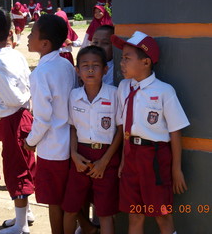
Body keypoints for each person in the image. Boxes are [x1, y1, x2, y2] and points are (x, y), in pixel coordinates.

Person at [112, 31, 189, 234]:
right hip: (131, 157)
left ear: (146, 62)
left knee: (161, 214)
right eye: (122, 58)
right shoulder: (123, 87)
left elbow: (175, 131)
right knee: (134, 214)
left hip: (155, 158)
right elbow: (123, 127)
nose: (122, 63)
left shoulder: (164, 91)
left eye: (127, 58)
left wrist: (176, 169)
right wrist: (123, 160)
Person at [0, 8, 35, 234]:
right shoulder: (16, 54)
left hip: (14, 117)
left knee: (16, 168)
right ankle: (25, 214)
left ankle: (21, 226)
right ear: (11, 32)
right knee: (23, 163)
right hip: (21, 115)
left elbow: (14, 98)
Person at [62, 45, 123, 234]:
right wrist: (73, 154)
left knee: (104, 213)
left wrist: (104, 161)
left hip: (106, 157)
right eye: (85, 65)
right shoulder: (74, 95)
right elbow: (72, 127)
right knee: (71, 209)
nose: (90, 70)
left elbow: (120, 130)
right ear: (77, 70)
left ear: (105, 70)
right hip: (80, 156)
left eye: (95, 65)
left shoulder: (114, 94)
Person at [25, 14, 76, 234]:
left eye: (32, 33)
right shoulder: (66, 65)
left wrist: (30, 141)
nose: (27, 36)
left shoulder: (40, 74)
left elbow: (43, 118)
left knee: (54, 203)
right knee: (68, 198)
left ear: (44, 44)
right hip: (70, 143)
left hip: (52, 148)